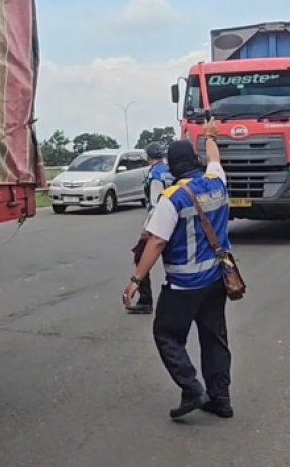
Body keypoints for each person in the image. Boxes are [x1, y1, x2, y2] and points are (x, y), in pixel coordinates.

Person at [123, 121, 234, 420]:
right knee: (214, 339)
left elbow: (157, 241)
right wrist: (210, 136)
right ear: (195, 162)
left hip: (184, 285)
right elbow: (215, 160)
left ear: (172, 168)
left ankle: (192, 388)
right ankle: (220, 399)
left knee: (166, 335)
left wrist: (136, 279)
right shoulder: (216, 182)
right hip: (216, 280)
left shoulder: (171, 198)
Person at [126, 142, 174, 315]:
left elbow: (155, 204)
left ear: (147, 157)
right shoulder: (169, 170)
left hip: (159, 222)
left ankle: (145, 299)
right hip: (175, 218)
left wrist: (148, 229)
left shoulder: (155, 175)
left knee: (141, 258)